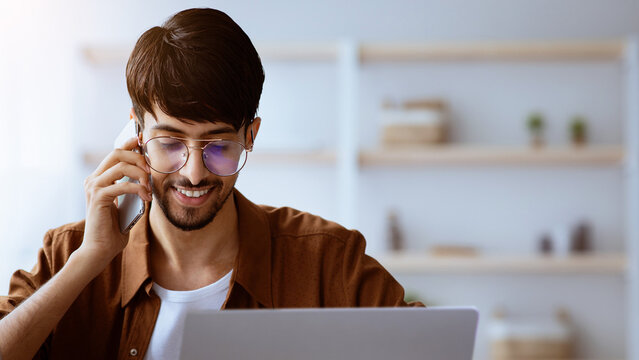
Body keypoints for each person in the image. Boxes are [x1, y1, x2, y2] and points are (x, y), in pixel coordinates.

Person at [0, 8, 422, 360]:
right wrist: (88, 262)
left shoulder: (328, 260)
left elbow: (432, 343)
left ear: (250, 136)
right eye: (169, 142)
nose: (194, 172)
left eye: (219, 145)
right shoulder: (68, 256)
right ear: (135, 134)